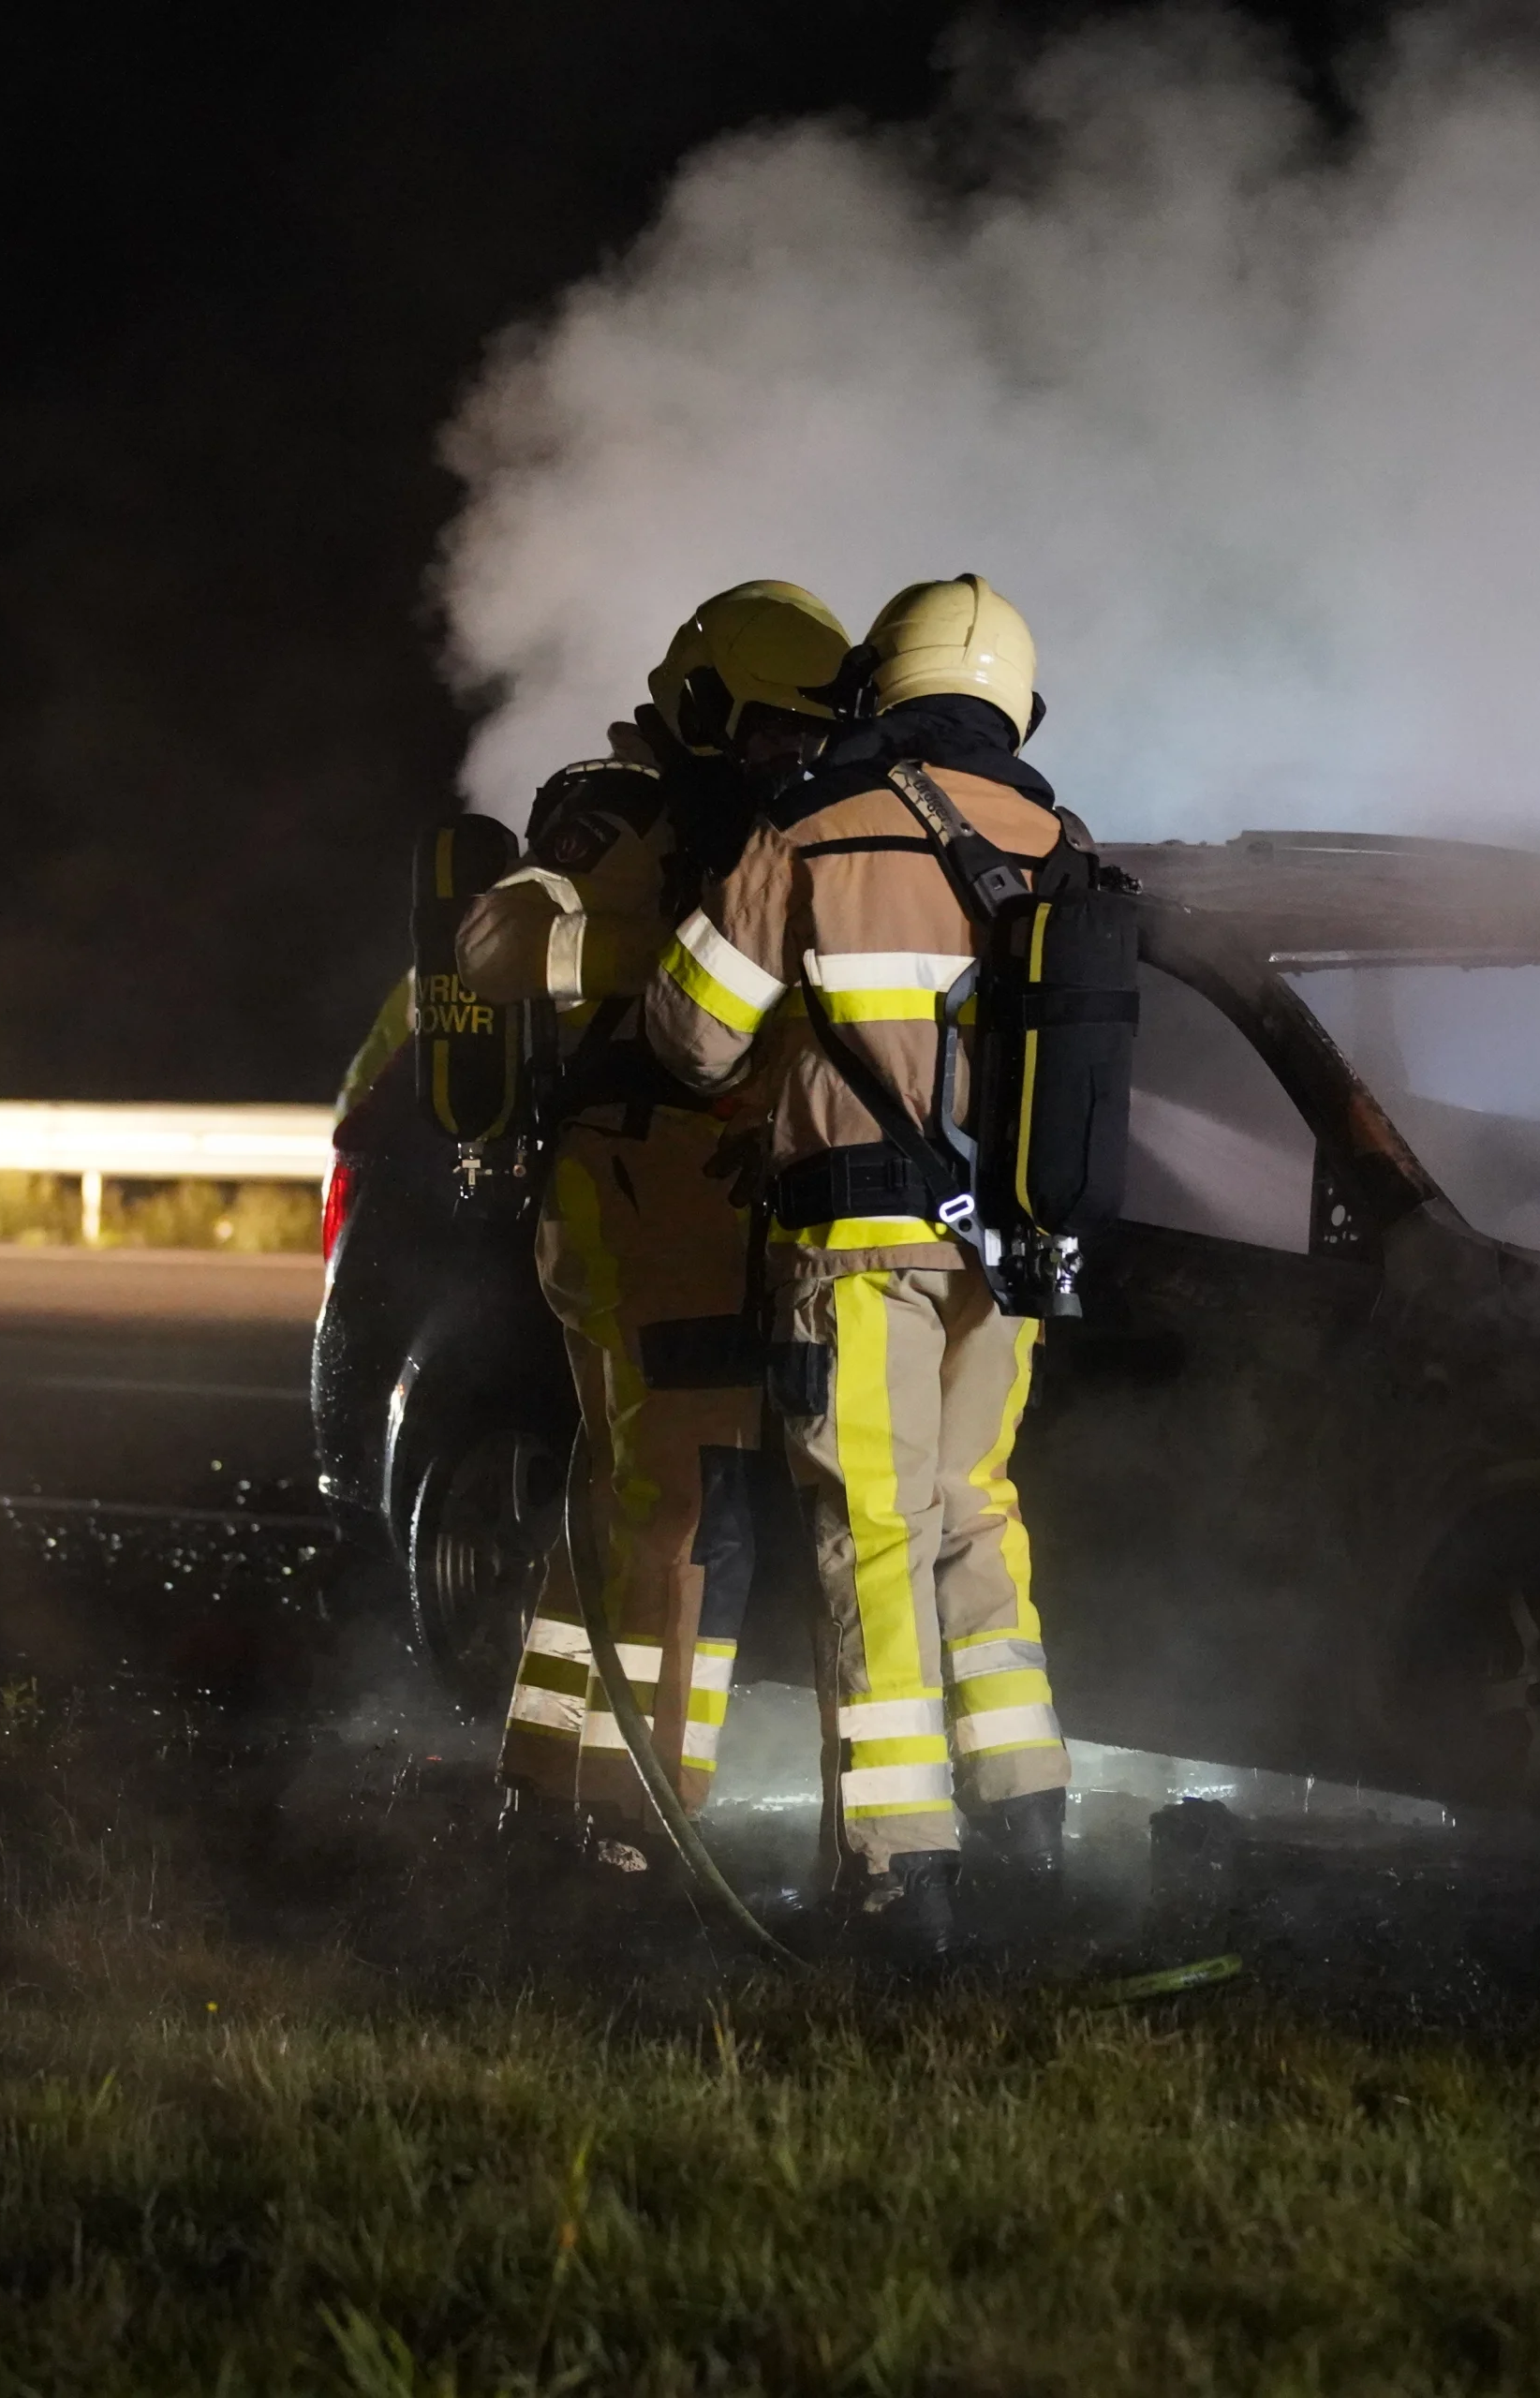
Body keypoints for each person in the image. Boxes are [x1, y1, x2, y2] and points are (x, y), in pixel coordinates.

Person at [644, 573, 1074, 1956]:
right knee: (976, 1517)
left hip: (855, 1250)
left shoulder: (812, 833)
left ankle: (901, 1877)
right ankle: (1030, 1824)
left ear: (878, 688)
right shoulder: (1059, 840)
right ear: (1013, 700)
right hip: (1007, 1258)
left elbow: (692, 1040)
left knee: (871, 1535)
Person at [457, 579, 851, 1847]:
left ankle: (551, 1780)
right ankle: (646, 1819)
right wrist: (668, 958)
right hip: (642, 1199)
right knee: (691, 1515)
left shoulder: (782, 838)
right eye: (771, 729)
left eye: (811, 733)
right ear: (701, 706)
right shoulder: (627, 814)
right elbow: (494, 941)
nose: (793, 756)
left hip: (690, 1209)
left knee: (629, 1502)